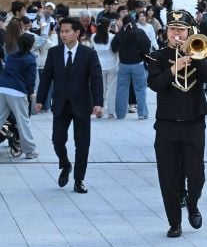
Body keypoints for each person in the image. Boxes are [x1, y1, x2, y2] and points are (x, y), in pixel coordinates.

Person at [147, 8, 207, 237]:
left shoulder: (200, 52)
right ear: (166, 31)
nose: (176, 33)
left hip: (193, 123)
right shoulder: (156, 57)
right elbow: (156, 84)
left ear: (189, 32)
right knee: (167, 176)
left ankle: (193, 203)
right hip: (167, 124)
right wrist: (174, 68)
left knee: (196, 174)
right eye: (172, 29)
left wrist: (194, 56)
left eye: (181, 30)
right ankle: (174, 222)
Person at [36, 17, 104, 194]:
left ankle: (79, 179)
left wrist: (98, 103)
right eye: (61, 31)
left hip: (82, 104)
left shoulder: (88, 54)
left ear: (77, 33)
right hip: (60, 104)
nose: (63, 34)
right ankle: (65, 165)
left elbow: (96, 79)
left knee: (82, 144)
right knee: (57, 140)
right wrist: (40, 100)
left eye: (67, 31)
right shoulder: (54, 53)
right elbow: (46, 78)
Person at [0, 33, 39, 159]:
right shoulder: (30, 59)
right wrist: (30, 92)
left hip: (2, 88)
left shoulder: (11, 57)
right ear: (31, 45)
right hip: (17, 91)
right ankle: (29, 151)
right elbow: (30, 79)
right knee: (23, 122)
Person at [111, 15, 151, 120]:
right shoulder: (140, 33)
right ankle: (142, 113)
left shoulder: (121, 34)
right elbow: (147, 47)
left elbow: (113, 47)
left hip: (123, 64)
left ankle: (120, 114)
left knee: (121, 89)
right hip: (138, 64)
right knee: (141, 89)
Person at [92, 18, 119, 118]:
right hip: (112, 65)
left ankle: (100, 110)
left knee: (100, 89)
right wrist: (116, 32)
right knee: (111, 90)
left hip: (99, 66)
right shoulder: (112, 37)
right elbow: (115, 50)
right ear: (108, 26)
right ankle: (111, 112)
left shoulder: (93, 37)